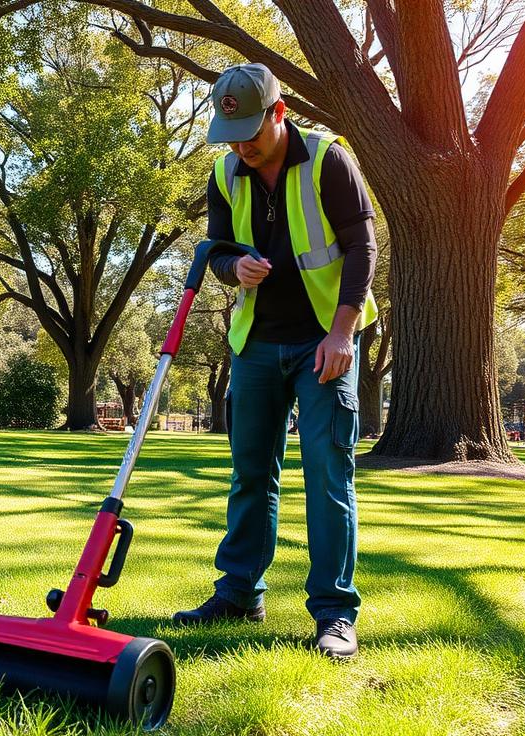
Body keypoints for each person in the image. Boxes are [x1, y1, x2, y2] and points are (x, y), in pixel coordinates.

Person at [173, 64, 379, 660]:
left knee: (327, 473)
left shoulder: (328, 159)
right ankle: (239, 593)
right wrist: (231, 268)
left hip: (323, 342)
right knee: (251, 473)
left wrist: (342, 335)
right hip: (256, 344)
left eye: (249, 130)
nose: (240, 144)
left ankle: (335, 614)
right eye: (229, 131)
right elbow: (216, 249)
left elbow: (363, 246)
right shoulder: (224, 171)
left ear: (278, 111)